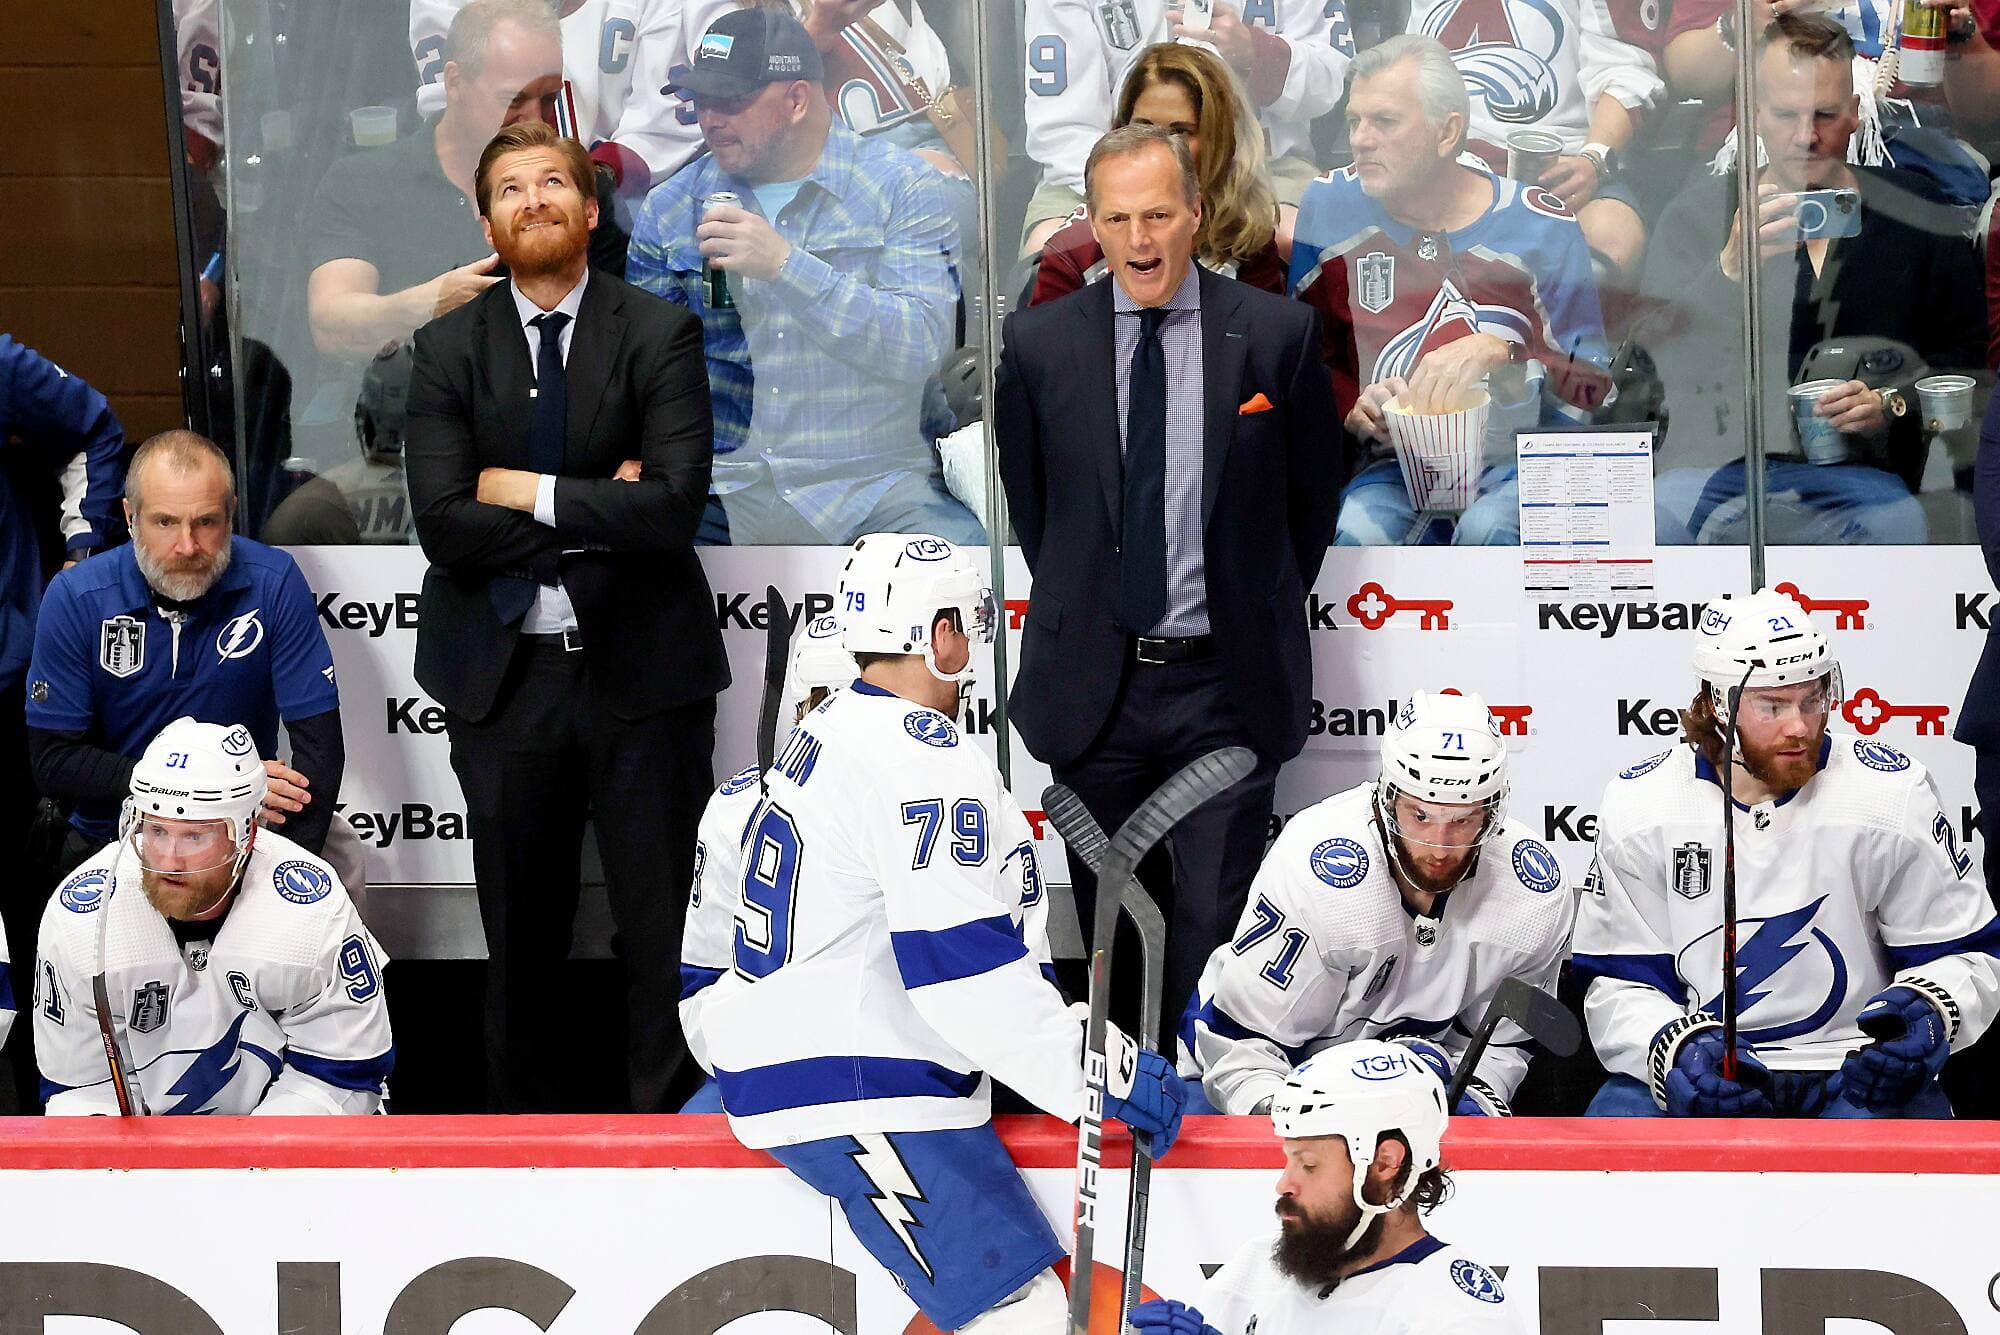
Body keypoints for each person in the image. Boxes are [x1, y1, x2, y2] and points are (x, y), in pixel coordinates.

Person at [692, 532, 1187, 1335]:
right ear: (940, 634)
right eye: (971, 622)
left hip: (806, 1061)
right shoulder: (919, 757)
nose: (975, 645)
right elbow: (960, 973)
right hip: (856, 1085)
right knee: (1019, 1317)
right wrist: (1099, 1071)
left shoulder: (832, 728)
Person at [404, 118, 727, 1113]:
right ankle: (524, 1149)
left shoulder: (659, 332)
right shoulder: (447, 348)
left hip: (644, 676)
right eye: (510, 189)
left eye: (551, 182)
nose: (532, 200)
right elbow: (444, 526)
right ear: (486, 225)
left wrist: (524, 490)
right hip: (506, 683)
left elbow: (671, 508)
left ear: (590, 211)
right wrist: (597, 505)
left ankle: (672, 1142)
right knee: (520, 935)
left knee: (662, 929)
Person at [996, 124, 1344, 1045]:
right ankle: (1117, 1105)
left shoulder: (1275, 334)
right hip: (1094, 691)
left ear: (1195, 212)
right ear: (1091, 225)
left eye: (1157, 214)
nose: (1139, 239)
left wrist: (1247, 604)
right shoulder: (1037, 343)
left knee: (1212, 942)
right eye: (1117, 219)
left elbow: (1311, 502)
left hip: (1225, 688)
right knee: (1110, 939)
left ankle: (1204, 1106)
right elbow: (1038, 510)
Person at [1574, 588, 2000, 1118]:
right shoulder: (1644, 804)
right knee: (1617, 1140)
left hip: (1852, 1065)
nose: (1799, 725)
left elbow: (1965, 952)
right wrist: (1676, 1051)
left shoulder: (1890, 795)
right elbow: (1620, 980)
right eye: (1772, 706)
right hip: (1706, 1060)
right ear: (1718, 705)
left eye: (1812, 700)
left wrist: (1929, 1012)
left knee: (1914, 1155)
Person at [628, 6, 978, 545]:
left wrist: (785, 267)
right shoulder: (669, 208)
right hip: (722, 490)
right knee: (611, 560)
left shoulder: (903, 187)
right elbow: (646, 377)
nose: (711, 119)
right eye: (700, 100)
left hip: (873, 486)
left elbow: (920, 347)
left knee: (963, 569)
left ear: (796, 100)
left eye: (731, 100)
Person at [1638, 14, 1985, 545]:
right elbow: (1651, 374)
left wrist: (1890, 405)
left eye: (1825, 114)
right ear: (1753, 116)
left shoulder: (1916, 211)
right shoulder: (1700, 215)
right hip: (1722, 467)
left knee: (1899, 524)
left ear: (1854, 114)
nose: (1806, 136)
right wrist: (1729, 271)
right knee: (1654, 519)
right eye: (1786, 115)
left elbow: (1967, 367)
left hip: (1871, 480)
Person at [1179, 691, 1573, 1117]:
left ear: (1491, 812)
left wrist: (1466, 1100)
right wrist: (1312, 1123)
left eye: (1462, 820)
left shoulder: (1531, 888)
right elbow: (1243, 1053)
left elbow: (1497, 1047)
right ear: (1389, 799)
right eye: (1420, 816)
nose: (1439, 846)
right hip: (1255, 1082)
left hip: (1410, 1104)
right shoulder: (1317, 869)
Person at [1290, 35, 1612, 546]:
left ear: (1448, 133)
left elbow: (1594, 390)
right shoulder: (1329, 206)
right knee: (1356, 536)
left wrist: (1506, 356)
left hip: (1519, 462)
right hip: (1391, 464)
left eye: (1385, 121)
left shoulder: (1540, 224)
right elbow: (1303, 361)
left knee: (1490, 531)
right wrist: (1352, 405)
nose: (1361, 140)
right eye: (1354, 121)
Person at [35, 718, 392, 1115]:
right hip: (146, 1146)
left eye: (194, 836)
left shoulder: (310, 909)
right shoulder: (84, 918)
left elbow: (341, 1077)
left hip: (281, 1141)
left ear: (246, 836)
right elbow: (82, 1088)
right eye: (157, 831)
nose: (169, 860)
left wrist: (255, 1152)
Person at [26, 431, 344, 872]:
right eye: (165, 522)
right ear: (130, 516)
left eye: (206, 522)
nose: (187, 546)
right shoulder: (77, 596)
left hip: (237, 837)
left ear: (231, 513)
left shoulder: (274, 581)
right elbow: (54, 762)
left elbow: (320, 755)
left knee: (339, 863)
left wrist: (284, 878)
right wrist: (209, 785)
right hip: (111, 837)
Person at [1126, 1040, 1525, 1335]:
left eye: (1309, 1165)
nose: (1284, 1183)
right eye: (1288, 1160)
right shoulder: (1258, 1266)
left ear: (1385, 1163)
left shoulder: (1460, 1315)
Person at [0, 333, 128, 1113]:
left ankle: (46, 1126)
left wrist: (83, 554)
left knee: (33, 926)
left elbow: (92, 428)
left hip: (5, 688)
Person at [678, 605, 854, 1112]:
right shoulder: (735, 807)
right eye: (830, 704)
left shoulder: (957, 794)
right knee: (691, 1130)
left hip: (904, 1076)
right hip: (770, 1074)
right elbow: (704, 980)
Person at [1019, 0, 1353, 253]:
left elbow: (1331, 83)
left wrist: (1255, 53)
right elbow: (1063, 129)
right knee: (1049, 250)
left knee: (1297, 243)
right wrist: (1141, 189)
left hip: (1266, 168)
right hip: (1103, 174)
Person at [1404, 0, 1660, 277]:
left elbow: (1626, 71)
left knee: (1611, 232)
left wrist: (1594, 158)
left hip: (1561, 162)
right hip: (1442, 156)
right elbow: (1405, 65)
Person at [1030, 42, 1288, 304]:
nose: (1159, 147)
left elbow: (1264, 328)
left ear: (1218, 141)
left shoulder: (1247, 242)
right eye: (1143, 128)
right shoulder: (1074, 250)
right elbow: (1045, 328)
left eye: (1180, 132)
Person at [410, 0, 741, 200]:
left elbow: (663, 125)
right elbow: (453, 112)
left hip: (610, 198)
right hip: (471, 185)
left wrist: (588, 180)